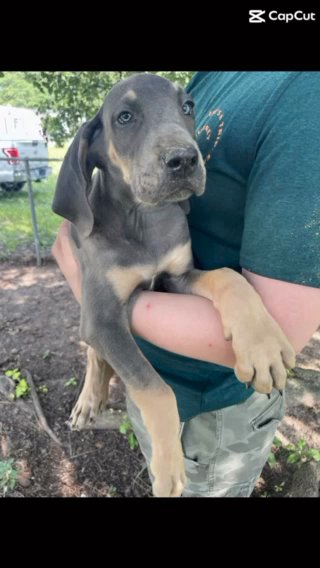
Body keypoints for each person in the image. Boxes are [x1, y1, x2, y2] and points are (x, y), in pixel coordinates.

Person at [52, 72, 320, 497]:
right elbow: (90, 303)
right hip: (149, 378)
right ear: (95, 151)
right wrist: (152, 397)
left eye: (185, 110)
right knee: (99, 344)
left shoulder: (303, 90)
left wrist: (231, 290)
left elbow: (176, 283)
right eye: (126, 117)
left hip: (215, 405)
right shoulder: (210, 75)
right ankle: (95, 373)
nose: (181, 148)